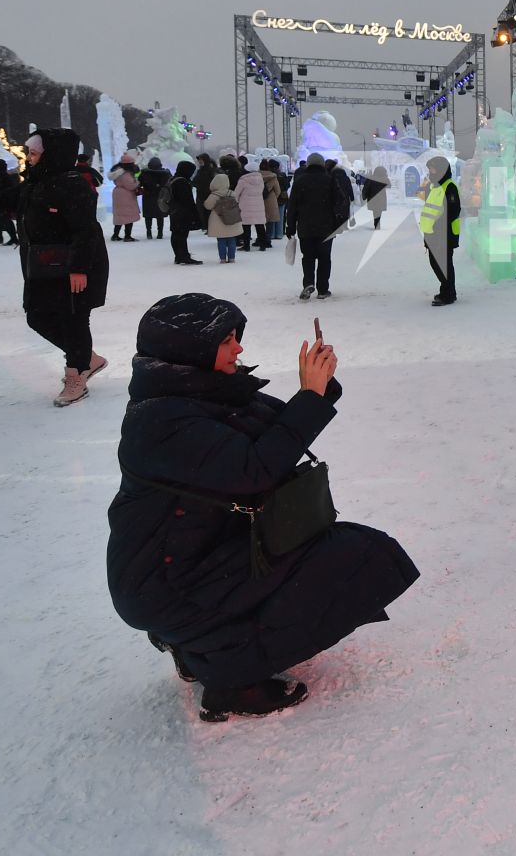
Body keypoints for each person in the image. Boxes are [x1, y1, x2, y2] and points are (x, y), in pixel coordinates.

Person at [106, 293, 419, 721]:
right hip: (165, 585)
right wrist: (310, 396)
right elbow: (255, 468)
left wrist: (318, 389)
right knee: (355, 559)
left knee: (338, 551)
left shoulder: (197, 392)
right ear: (190, 348)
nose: (238, 348)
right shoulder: (161, 421)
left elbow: (271, 431)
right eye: (227, 340)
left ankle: (200, 643)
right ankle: (231, 679)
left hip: (190, 565)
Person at [0, 128, 111, 407]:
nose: (28, 158)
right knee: (38, 316)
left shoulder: (73, 184)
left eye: (33, 153)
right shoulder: (36, 182)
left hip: (75, 264)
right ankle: (87, 358)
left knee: (74, 317)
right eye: (29, 153)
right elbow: (7, 200)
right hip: (43, 265)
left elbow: (85, 231)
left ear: (51, 154)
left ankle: (76, 374)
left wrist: (78, 269)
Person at [283, 154, 342, 301]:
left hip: (305, 227)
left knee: (308, 257)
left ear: (308, 164)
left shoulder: (300, 181)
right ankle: (323, 289)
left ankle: (308, 283)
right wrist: (338, 222)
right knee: (324, 258)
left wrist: (290, 227)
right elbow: (340, 202)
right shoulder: (330, 180)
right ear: (322, 165)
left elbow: (292, 207)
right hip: (326, 227)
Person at [421, 155, 461, 306]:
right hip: (432, 233)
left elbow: (453, 210)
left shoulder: (449, 187)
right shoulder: (435, 186)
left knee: (443, 264)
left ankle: (448, 294)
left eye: (433, 168)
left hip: (444, 234)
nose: (430, 171)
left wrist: (438, 227)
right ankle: (447, 290)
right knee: (436, 263)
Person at [204, 173, 244, 264]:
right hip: (232, 219)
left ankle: (222, 258)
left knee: (221, 240)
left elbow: (208, 206)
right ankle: (232, 258)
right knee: (232, 239)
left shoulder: (214, 195)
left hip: (218, 219)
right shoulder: (232, 193)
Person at [168, 160, 201, 265]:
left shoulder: (173, 179)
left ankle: (178, 256)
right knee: (182, 234)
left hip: (174, 210)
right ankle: (184, 256)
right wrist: (195, 213)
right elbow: (187, 200)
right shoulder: (182, 182)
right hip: (183, 212)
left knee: (176, 233)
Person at [0, 156, 21, 245]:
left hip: (2, 201)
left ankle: (12, 238)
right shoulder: (3, 176)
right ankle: (1, 236)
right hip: (2, 201)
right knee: (0, 219)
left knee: (3, 219)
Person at [236, 162, 268, 252]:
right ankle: (263, 245)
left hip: (245, 205)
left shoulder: (243, 180)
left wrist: (236, 201)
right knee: (260, 226)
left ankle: (246, 246)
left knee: (246, 226)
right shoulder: (260, 179)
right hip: (258, 205)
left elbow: (237, 193)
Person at [110, 155, 141, 243]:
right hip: (126, 195)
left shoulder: (118, 172)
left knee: (120, 216)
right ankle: (127, 236)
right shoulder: (126, 174)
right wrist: (137, 182)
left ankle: (115, 235)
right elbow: (130, 185)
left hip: (118, 193)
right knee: (128, 215)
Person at [139, 157, 169, 240]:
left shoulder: (145, 173)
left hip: (148, 197)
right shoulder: (164, 173)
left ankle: (149, 232)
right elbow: (168, 184)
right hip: (160, 197)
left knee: (148, 216)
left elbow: (139, 183)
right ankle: (160, 233)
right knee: (160, 216)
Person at [259, 159, 284, 249]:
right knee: (269, 222)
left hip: (258, 200)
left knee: (259, 222)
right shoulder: (273, 177)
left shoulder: (256, 176)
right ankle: (268, 240)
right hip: (270, 200)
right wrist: (273, 197)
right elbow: (278, 191)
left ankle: (260, 239)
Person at [192, 154, 217, 232]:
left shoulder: (211, 170)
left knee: (208, 211)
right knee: (201, 210)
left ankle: (208, 226)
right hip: (201, 193)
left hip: (208, 193)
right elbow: (195, 180)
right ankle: (204, 225)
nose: (199, 162)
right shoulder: (201, 170)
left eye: (201, 160)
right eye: (199, 160)